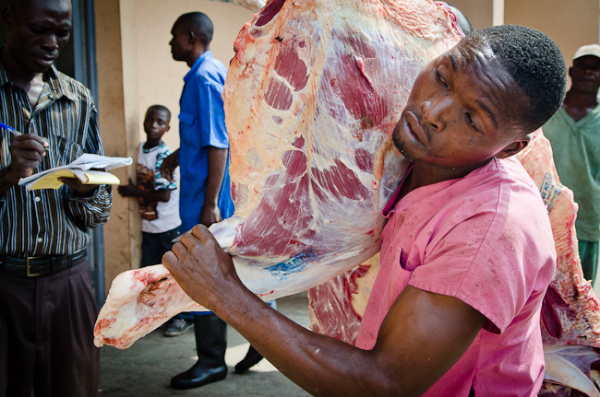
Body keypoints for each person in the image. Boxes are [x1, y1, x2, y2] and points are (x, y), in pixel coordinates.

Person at [163, 24, 566, 396]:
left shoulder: (490, 230)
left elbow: (385, 382)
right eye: (442, 77)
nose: (432, 110)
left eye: (472, 118)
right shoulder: (416, 158)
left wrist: (224, 293)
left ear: (512, 147)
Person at [0, 0, 112, 395]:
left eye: (62, 33)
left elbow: (99, 211)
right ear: (9, 18)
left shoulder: (78, 100)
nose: (52, 43)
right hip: (4, 284)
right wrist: (6, 175)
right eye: (40, 29)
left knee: (74, 387)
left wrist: (86, 190)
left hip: (69, 284)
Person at [159, 11, 236, 389]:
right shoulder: (207, 72)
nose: (170, 43)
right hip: (200, 194)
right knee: (226, 268)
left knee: (203, 271)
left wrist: (210, 204)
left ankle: (211, 362)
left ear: (191, 37)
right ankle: (259, 347)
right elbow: (201, 135)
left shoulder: (204, 78)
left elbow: (218, 144)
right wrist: (176, 156)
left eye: (174, 37)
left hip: (205, 200)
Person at [543, 44, 600, 287]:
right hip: (543, 213)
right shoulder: (547, 109)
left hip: (587, 217)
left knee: (578, 294)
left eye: (596, 69)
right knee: (541, 290)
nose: (589, 72)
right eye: (584, 66)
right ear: (571, 71)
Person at [117, 105, 181, 268]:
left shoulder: (164, 156)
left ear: (167, 128)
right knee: (148, 273)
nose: (153, 125)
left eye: (160, 122)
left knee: (170, 274)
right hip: (148, 227)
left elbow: (164, 196)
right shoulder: (138, 150)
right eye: (149, 120)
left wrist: (134, 191)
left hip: (167, 228)